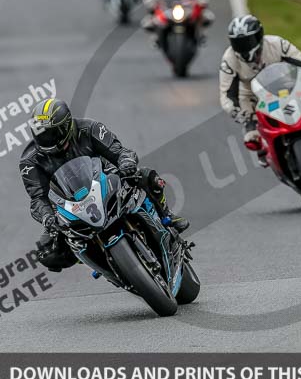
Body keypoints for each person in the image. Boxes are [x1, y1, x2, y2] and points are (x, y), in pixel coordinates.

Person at [18, 98, 189, 272]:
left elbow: (120, 152)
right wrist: (47, 217)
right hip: (69, 206)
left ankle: (167, 216)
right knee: (46, 253)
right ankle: (94, 258)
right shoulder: (29, 161)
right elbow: (37, 198)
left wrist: (126, 162)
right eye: (40, 134)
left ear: (66, 125)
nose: (46, 139)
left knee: (146, 176)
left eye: (51, 133)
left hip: (107, 181)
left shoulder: (90, 128)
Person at [218, 15, 301, 162]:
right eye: (237, 43)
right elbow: (227, 93)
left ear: (259, 36)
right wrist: (235, 111)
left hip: (287, 86)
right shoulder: (228, 60)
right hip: (252, 97)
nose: (243, 47)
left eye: (247, 41)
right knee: (251, 137)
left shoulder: (277, 44)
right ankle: (264, 151)